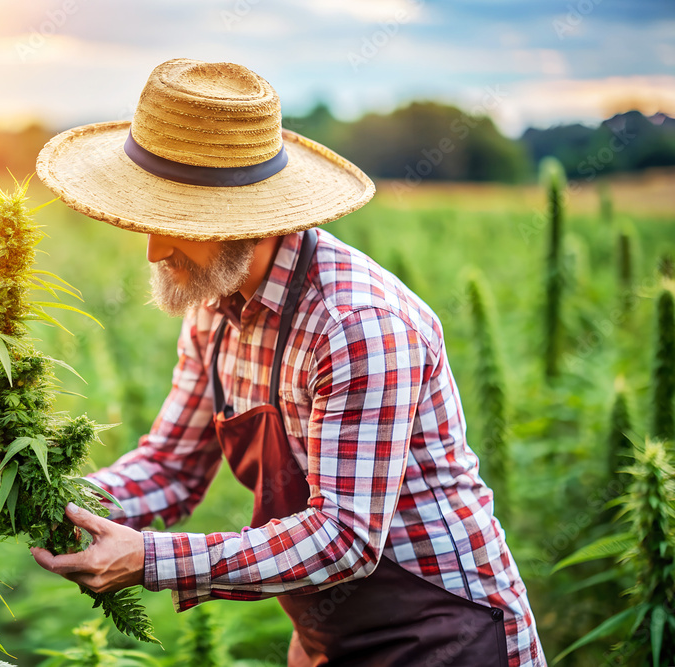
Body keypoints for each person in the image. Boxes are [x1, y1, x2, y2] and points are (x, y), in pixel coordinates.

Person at [31, 58, 546, 667]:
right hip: (325, 637)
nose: (155, 248)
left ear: (248, 217)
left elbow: (345, 539)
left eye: (176, 223)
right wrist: (62, 501)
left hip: (442, 633)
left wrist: (152, 559)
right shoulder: (212, 302)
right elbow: (172, 465)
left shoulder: (357, 326)